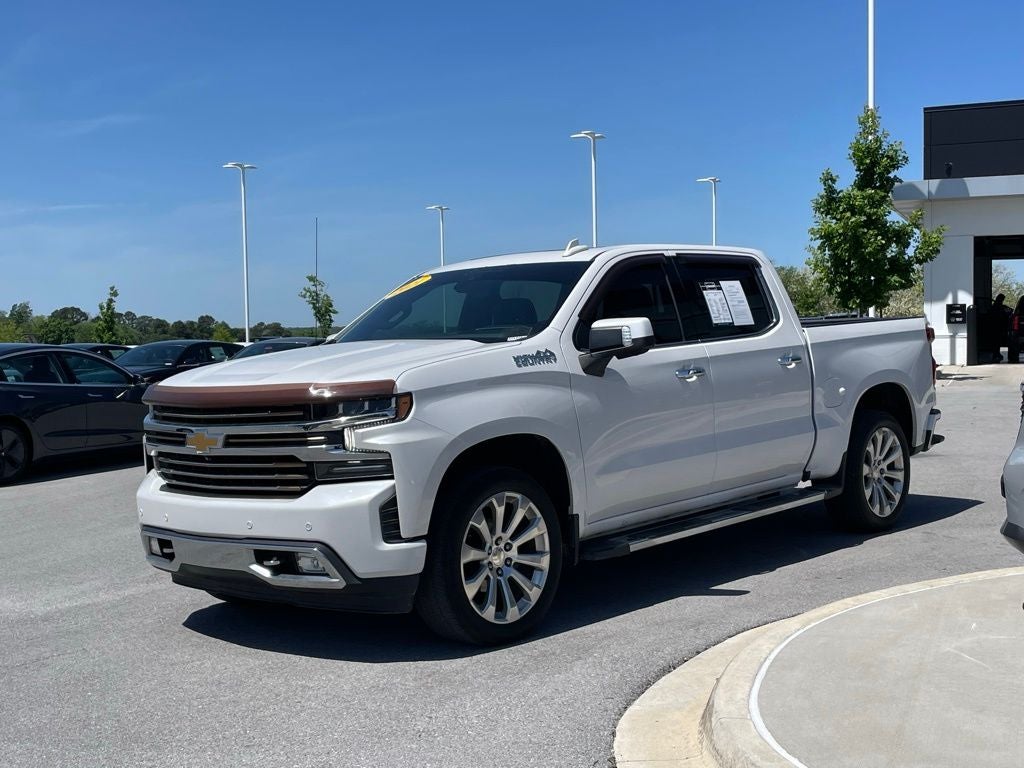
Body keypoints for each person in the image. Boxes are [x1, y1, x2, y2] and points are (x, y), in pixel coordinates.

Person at [993, 294, 1013, 361]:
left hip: (998, 326)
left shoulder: (996, 306)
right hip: (999, 326)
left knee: (997, 341)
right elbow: (1010, 311)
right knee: (998, 341)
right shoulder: (999, 306)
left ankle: (996, 354)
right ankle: (996, 354)